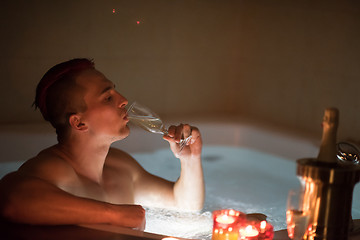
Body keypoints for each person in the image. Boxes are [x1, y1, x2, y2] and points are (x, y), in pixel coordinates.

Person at [0, 58, 204, 230]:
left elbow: (185, 206)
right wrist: (115, 214)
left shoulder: (120, 165)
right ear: (79, 122)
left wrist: (190, 159)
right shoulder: (56, 169)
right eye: (107, 98)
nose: (123, 100)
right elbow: (10, 199)